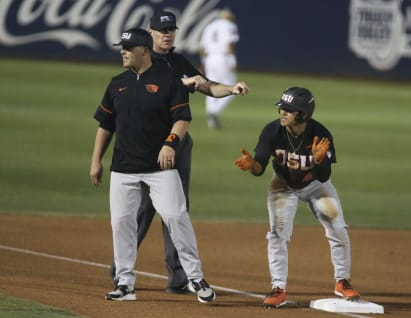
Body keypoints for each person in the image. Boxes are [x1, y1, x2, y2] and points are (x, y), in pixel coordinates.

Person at [108, 10, 249, 295]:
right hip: (144, 145)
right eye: (162, 30)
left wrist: (231, 89)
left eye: (171, 29)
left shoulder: (179, 61)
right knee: (144, 209)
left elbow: (207, 86)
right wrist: (182, 84)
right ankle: (120, 270)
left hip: (178, 143)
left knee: (177, 209)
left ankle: (178, 276)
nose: (168, 34)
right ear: (150, 34)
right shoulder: (142, 59)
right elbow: (141, 90)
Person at [90, 27, 216, 303]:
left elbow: (182, 118)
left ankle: (195, 277)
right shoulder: (116, 83)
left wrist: (170, 143)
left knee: (176, 217)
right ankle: (124, 283)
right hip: (123, 168)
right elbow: (105, 125)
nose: (122, 52)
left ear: (144, 50)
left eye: (128, 47)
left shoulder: (169, 81)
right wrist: (96, 160)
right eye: (122, 47)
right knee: (121, 224)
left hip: (160, 168)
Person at [234, 87, 360, 308]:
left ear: (302, 114)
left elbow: (324, 177)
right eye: (282, 107)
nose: (282, 112)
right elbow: (260, 167)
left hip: (316, 186)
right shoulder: (272, 131)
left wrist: (320, 161)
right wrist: (251, 165)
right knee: (278, 234)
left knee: (338, 227)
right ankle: (278, 289)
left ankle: (342, 282)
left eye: (288, 109)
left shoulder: (321, 134)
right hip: (282, 185)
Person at [199, 9, 240, 129]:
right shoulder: (230, 25)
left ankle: (211, 120)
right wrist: (233, 60)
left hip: (210, 59)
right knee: (233, 87)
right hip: (223, 58)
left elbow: (202, 47)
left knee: (210, 86)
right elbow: (229, 43)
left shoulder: (210, 26)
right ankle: (214, 111)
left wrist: (204, 63)